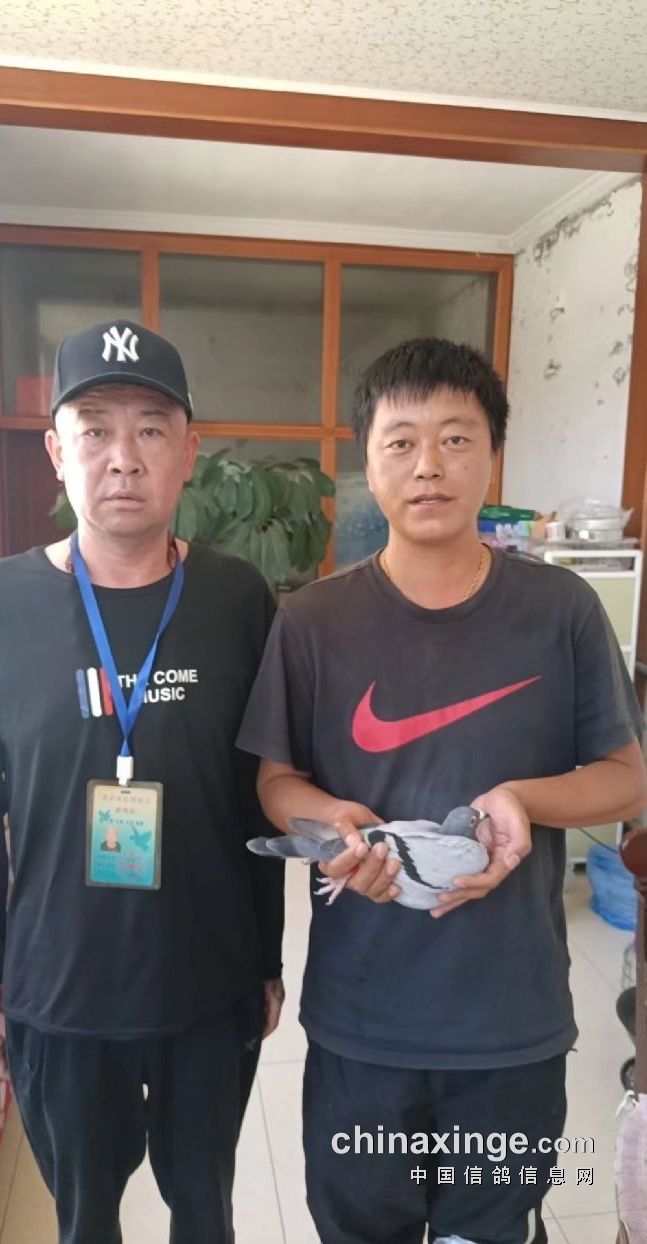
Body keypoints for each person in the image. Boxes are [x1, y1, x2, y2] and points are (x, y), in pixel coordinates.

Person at [237, 337, 647, 1244]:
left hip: (510, 1022)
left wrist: (527, 801)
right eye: (402, 442)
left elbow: (626, 780)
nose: (429, 465)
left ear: (493, 454)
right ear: (368, 462)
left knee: (488, 1230)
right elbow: (276, 782)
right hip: (362, 1023)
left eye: (457, 439)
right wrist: (331, 820)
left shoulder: (562, 611)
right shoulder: (314, 621)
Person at [0, 319, 284, 1244]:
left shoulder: (237, 600)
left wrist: (266, 957)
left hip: (207, 980)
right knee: (85, 1220)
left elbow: (258, 789)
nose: (123, 456)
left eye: (150, 428)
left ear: (189, 452)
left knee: (204, 1215)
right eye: (94, 429)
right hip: (61, 988)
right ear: (58, 452)